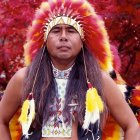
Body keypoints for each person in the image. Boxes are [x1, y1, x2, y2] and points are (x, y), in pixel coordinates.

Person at [0, 0, 139, 140]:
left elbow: (132, 126)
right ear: (45, 39)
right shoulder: (24, 78)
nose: (63, 37)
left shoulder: (99, 79)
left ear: (82, 40)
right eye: (56, 31)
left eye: (71, 31)